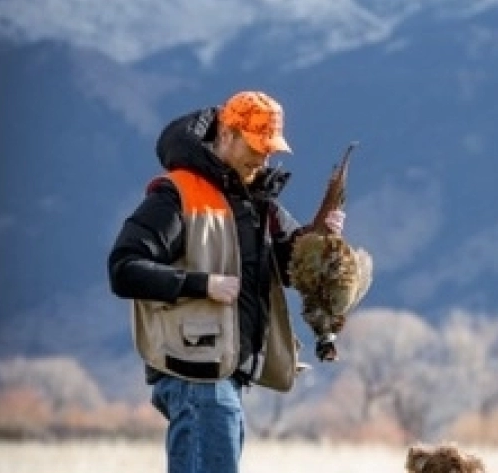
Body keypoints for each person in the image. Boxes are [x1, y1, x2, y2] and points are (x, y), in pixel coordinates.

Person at [107, 91, 345, 473]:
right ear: (228, 135)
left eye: (270, 150)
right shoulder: (176, 195)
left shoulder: (260, 203)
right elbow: (124, 268)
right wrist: (203, 284)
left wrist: (321, 238)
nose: (263, 158)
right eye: (255, 146)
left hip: (224, 377)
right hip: (195, 377)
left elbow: (290, 269)